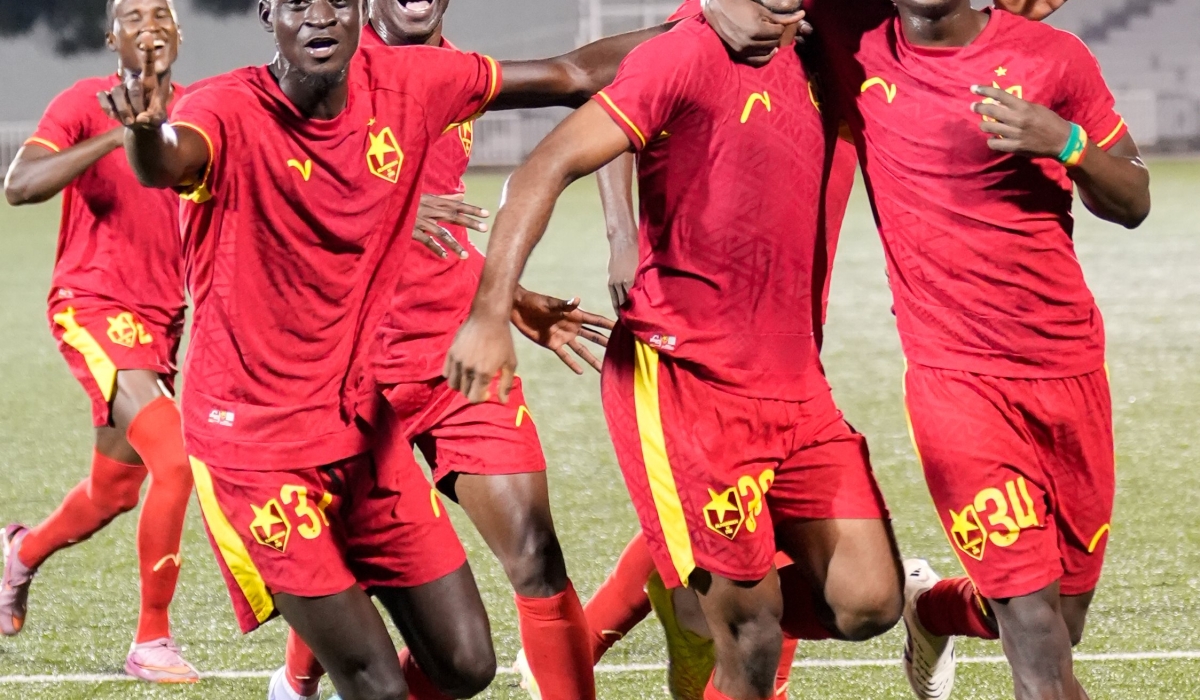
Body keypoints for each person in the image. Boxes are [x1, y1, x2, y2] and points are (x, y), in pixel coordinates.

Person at [99, 1, 670, 697]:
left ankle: (304, 678)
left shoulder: (419, 80)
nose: (319, 16)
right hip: (258, 444)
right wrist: (145, 123)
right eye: (298, 3)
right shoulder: (225, 108)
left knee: (467, 662)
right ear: (267, 14)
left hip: (365, 420)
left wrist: (708, 20)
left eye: (334, 1)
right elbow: (165, 161)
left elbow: (574, 72)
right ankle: (298, 680)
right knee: (375, 681)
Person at [442, 3, 908, 699]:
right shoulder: (686, 49)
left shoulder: (839, 40)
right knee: (750, 639)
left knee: (871, 602)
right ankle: (706, 596)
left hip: (795, 380)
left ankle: (687, 590)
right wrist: (489, 313)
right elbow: (545, 165)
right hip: (684, 383)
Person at [699, 0, 1150, 698]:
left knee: (1064, 617)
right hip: (956, 384)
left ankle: (929, 608)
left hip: (1070, 368)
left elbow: (1134, 198)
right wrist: (711, 3)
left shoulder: (1053, 58)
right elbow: (739, 14)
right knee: (1034, 629)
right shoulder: (853, 37)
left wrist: (1067, 145)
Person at [271, 1, 617, 697]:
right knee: (346, 563)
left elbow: (574, 76)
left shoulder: (460, 74)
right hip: (352, 367)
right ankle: (296, 684)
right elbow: (267, 197)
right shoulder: (322, 64)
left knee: (536, 558)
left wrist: (505, 299)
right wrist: (376, 203)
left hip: (456, 356)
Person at [0, 0, 198, 682]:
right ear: (110, 36)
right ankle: (151, 641)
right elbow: (18, 185)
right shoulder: (86, 102)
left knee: (114, 491)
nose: (149, 26)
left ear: (178, 34)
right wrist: (118, 137)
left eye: (161, 14)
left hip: (164, 321)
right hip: (92, 305)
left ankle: (19, 553)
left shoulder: (206, 110)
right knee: (176, 459)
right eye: (132, 15)